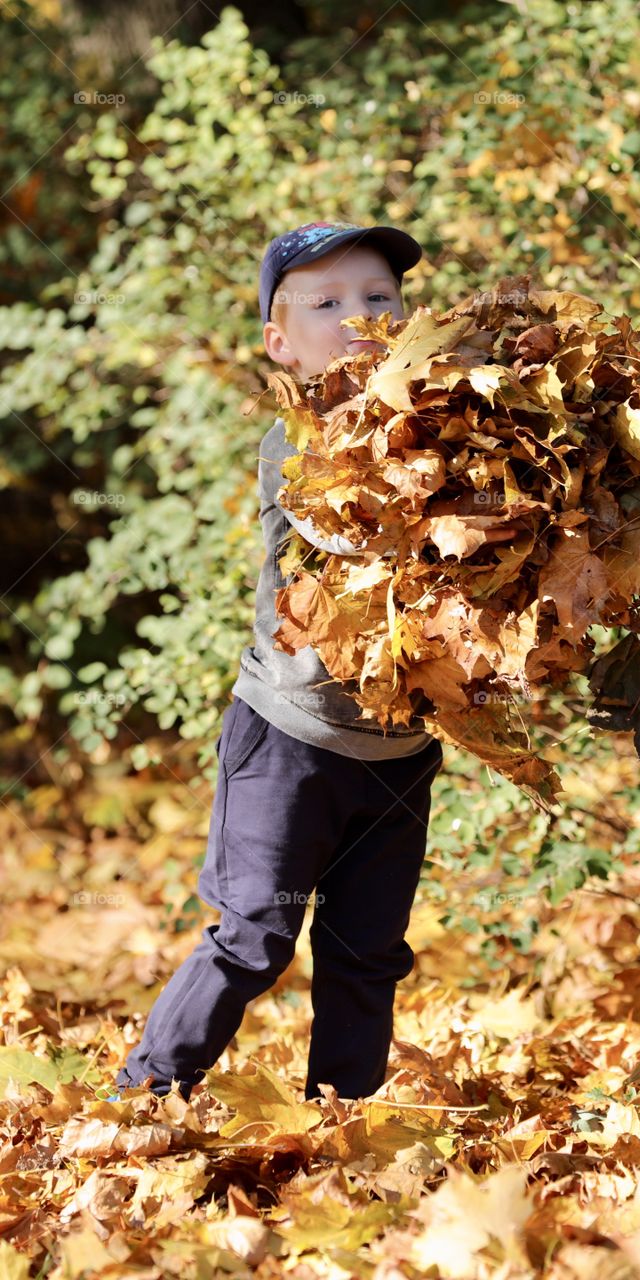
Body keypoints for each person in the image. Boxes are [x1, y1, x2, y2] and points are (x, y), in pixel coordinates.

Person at [110, 222, 451, 1104]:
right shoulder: (297, 445)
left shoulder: (451, 431)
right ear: (280, 342)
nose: (359, 317)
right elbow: (351, 529)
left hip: (395, 749)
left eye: (379, 297)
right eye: (326, 304)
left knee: (365, 951)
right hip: (288, 738)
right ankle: (144, 1096)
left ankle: (344, 1121)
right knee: (253, 936)